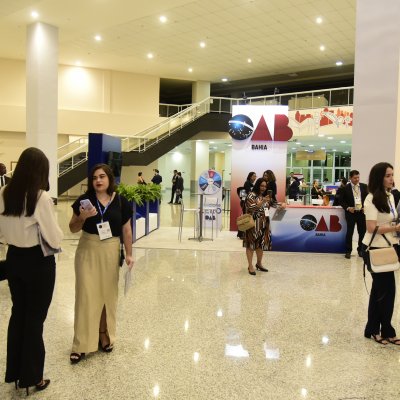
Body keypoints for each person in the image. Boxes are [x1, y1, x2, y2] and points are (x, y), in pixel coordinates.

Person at [0, 147, 63, 394]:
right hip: (38, 263)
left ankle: (15, 373)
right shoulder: (40, 197)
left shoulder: (4, 192)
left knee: (19, 315)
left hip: (13, 257)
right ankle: (33, 377)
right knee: (35, 320)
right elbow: (55, 238)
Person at [69, 163, 133, 364]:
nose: (98, 180)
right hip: (87, 249)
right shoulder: (84, 201)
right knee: (86, 295)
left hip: (110, 250)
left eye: (102, 176)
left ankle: (103, 333)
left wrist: (130, 254)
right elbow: (72, 228)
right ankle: (80, 343)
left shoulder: (121, 201)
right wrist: (82, 217)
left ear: (109, 179)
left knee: (107, 295)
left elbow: (127, 231)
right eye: (95, 177)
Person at [362, 162, 400, 345]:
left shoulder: (390, 196)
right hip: (375, 248)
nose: (391, 179)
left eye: (392, 175)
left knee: (381, 291)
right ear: (379, 177)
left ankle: (374, 329)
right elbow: (371, 227)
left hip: (390, 246)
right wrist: (395, 227)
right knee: (386, 291)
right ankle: (386, 330)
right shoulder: (371, 198)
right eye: (387, 175)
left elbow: (390, 219)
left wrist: (395, 227)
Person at [243, 178, 285, 275]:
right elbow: (251, 207)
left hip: (264, 223)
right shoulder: (251, 195)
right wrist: (263, 201)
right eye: (261, 186)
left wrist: (282, 204)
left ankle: (259, 263)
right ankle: (250, 266)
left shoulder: (265, 196)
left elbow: (273, 204)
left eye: (265, 186)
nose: (263, 188)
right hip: (252, 224)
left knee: (261, 244)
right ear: (257, 185)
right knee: (251, 245)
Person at [339, 169, 368, 259]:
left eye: (358, 177)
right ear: (350, 178)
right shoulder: (345, 188)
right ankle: (348, 251)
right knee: (350, 232)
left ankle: (361, 250)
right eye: (355, 178)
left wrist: (365, 207)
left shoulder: (364, 187)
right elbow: (341, 201)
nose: (357, 179)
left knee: (362, 232)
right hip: (351, 213)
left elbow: (368, 199)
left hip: (361, 213)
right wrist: (348, 208)